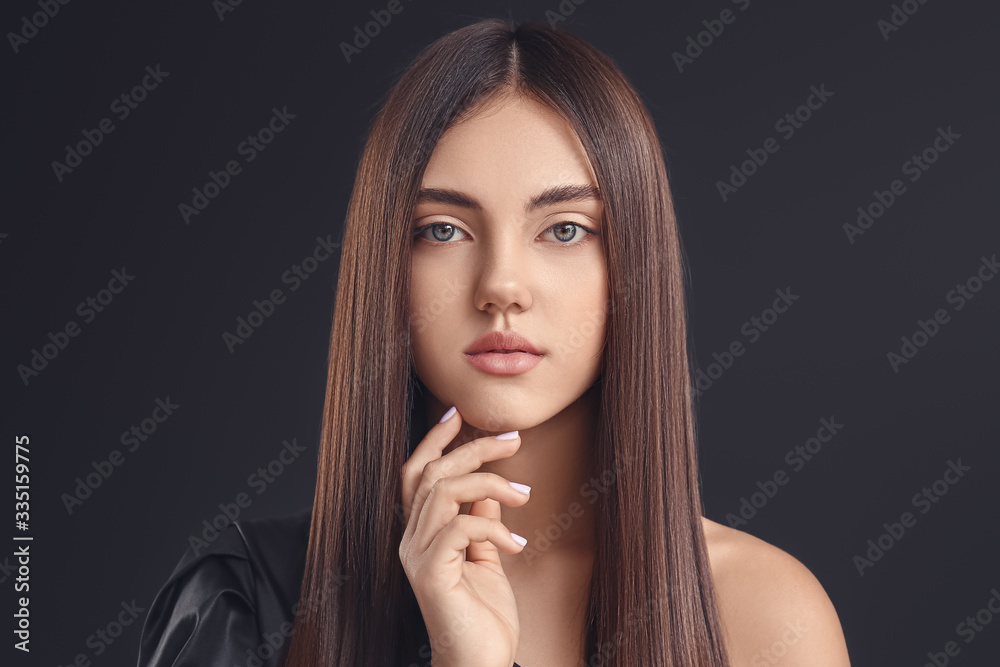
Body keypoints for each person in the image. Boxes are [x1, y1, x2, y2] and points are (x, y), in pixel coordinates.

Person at [137, 17, 852, 667]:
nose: (502, 285)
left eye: (565, 228)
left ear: (633, 264)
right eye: (443, 229)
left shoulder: (764, 615)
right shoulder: (241, 607)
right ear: (385, 264)